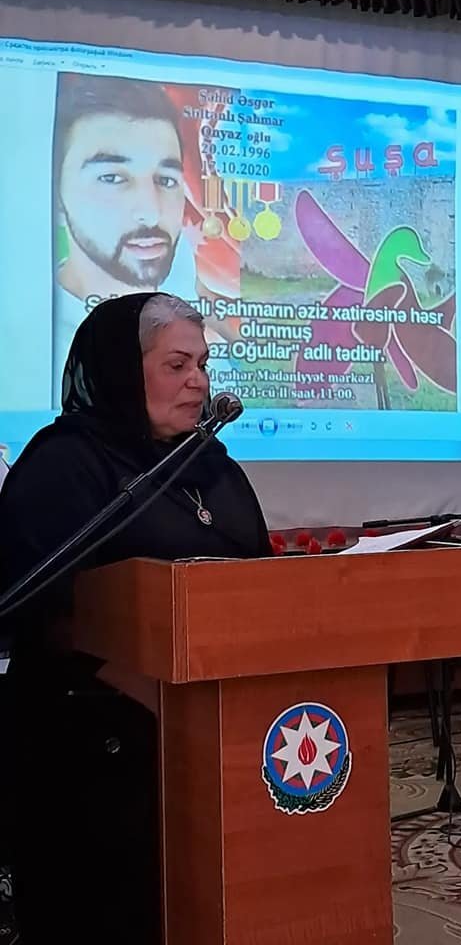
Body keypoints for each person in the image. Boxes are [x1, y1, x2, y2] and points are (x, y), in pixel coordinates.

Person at [0, 292, 273, 944]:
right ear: (123, 370)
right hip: (91, 740)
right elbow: (46, 608)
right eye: (177, 365)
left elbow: (260, 583)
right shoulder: (65, 462)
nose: (198, 382)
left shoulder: (213, 467)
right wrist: (155, 684)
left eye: (203, 365)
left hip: (216, 726)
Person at [52, 75, 197, 390]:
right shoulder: (37, 343)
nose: (151, 211)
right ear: (57, 200)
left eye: (166, 180)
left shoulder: (191, 316)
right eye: (113, 178)